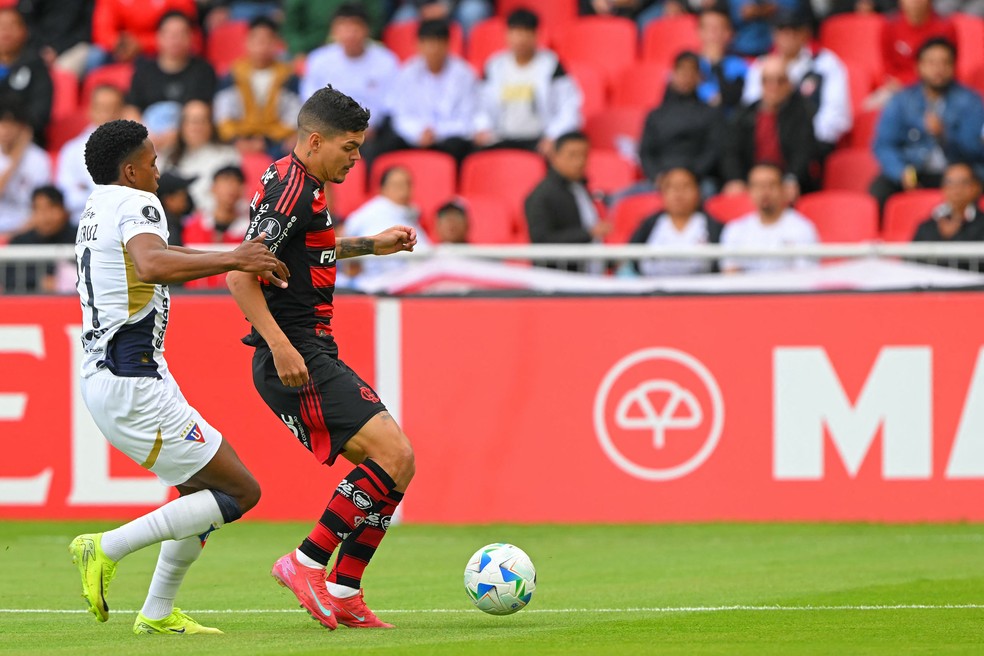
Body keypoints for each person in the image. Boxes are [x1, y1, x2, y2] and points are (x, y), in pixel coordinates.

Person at [69, 118, 287, 635]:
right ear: (130, 170)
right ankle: (105, 547)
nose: (157, 170)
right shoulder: (137, 202)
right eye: (151, 162)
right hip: (133, 382)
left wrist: (234, 255)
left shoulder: (98, 206)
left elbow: (163, 256)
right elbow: (150, 264)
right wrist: (233, 257)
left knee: (202, 495)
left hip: (115, 377)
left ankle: (158, 612)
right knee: (241, 492)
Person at [225, 86, 418, 630]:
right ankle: (305, 562)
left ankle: (344, 588)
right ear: (315, 140)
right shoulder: (290, 186)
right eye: (349, 147)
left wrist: (369, 246)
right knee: (393, 452)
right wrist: (281, 345)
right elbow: (240, 275)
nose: (357, 158)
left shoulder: (299, 182)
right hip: (294, 353)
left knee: (398, 463)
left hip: (309, 349)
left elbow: (307, 247)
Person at [870, 38, 984, 213]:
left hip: (956, 172)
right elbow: (884, 144)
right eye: (931, 63)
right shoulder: (902, 100)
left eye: (944, 63)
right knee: (879, 189)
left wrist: (944, 135)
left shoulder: (971, 102)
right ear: (919, 66)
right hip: (914, 170)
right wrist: (901, 172)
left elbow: (974, 150)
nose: (938, 69)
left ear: (954, 66)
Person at [741, 9, 852, 157]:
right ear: (774, 34)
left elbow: (836, 115)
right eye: (783, 31)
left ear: (806, 33)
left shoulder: (825, 63)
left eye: (794, 30)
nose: (789, 37)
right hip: (768, 145)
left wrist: (803, 139)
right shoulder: (762, 66)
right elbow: (752, 105)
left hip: (813, 145)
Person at [474, 8, 582, 155]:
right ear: (507, 34)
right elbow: (481, 103)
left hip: (540, 140)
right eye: (516, 32)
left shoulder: (551, 65)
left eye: (526, 32)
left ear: (536, 35)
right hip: (501, 137)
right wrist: (482, 127)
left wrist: (553, 135)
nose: (521, 39)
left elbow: (569, 106)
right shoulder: (494, 65)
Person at [373, 19, 479, 164]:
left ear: (448, 44)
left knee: (460, 147)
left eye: (438, 43)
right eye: (428, 43)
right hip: (416, 136)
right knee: (387, 143)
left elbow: (467, 118)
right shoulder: (407, 73)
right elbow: (401, 115)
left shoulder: (464, 74)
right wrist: (418, 132)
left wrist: (436, 132)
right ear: (418, 45)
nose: (433, 49)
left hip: (448, 138)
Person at [721, 55, 818, 199]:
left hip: (786, 182)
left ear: (789, 85)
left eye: (780, 81)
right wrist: (735, 179)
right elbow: (731, 151)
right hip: (751, 183)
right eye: (767, 81)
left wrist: (791, 178)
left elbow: (802, 153)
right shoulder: (745, 113)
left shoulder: (802, 112)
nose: (774, 87)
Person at [300, 4, 398, 137]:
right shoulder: (318, 60)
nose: (350, 34)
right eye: (344, 27)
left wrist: (368, 126)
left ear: (367, 29)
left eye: (355, 27)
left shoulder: (386, 60)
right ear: (333, 31)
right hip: (329, 130)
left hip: (372, 131)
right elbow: (310, 98)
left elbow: (389, 101)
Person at [215, 16, 302, 159]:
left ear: (276, 44)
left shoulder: (289, 77)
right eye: (257, 40)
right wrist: (237, 140)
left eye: (267, 40)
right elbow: (223, 114)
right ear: (247, 42)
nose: (262, 46)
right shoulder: (232, 75)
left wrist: (267, 142)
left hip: (277, 142)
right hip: (239, 141)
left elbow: (294, 115)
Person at [524, 131, 611, 272]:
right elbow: (542, 241)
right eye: (572, 155)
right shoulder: (541, 196)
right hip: (559, 280)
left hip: (588, 274)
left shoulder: (581, 188)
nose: (580, 161)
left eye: (584, 155)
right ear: (555, 156)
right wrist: (587, 234)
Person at [639, 51, 723, 192]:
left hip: (697, 180)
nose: (686, 77)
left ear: (698, 77)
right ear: (673, 75)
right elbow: (646, 152)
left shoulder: (710, 114)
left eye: (691, 72)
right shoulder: (655, 115)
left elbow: (712, 151)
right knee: (621, 200)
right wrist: (657, 176)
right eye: (682, 70)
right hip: (661, 180)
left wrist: (691, 175)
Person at [720, 162, 819, 273]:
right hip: (747, 290)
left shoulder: (802, 228)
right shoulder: (735, 229)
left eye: (771, 185)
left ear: (783, 189)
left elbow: (805, 276)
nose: (765, 192)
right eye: (758, 186)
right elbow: (730, 275)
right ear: (749, 191)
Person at [629, 167, 724, 276]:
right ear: (662, 193)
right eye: (672, 187)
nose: (678, 194)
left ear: (698, 192)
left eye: (686, 186)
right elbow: (632, 258)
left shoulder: (713, 227)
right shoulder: (649, 225)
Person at [341, 165, 430, 279]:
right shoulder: (369, 212)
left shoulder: (411, 214)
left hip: (412, 277)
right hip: (376, 279)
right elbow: (347, 233)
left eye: (407, 184)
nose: (403, 190)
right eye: (397, 185)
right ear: (383, 189)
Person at [56, 85, 126, 222]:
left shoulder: (136, 148)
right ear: (90, 110)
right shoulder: (71, 150)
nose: (107, 115)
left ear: (122, 111)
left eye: (113, 109)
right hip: (83, 225)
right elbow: (67, 197)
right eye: (102, 109)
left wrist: (88, 190)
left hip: (124, 224)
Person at [124, 11, 217, 115]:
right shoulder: (143, 72)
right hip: (148, 130)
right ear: (159, 37)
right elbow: (131, 109)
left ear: (191, 37)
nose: (175, 40)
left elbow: (205, 111)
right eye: (170, 34)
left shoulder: (204, 71)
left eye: (181, 34)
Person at [161, 100, 241, 214]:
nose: (197, 127)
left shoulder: (227, 155)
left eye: (202, 121)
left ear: (211, 125)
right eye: (192, 121)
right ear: (182, 126)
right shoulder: (169, 158)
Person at [3, 186, 77, 293]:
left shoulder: (80, 238)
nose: (45, 216)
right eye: (39, 209)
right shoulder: (19, 242)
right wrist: (39, 281)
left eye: (51, 208)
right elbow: (7, 278)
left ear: (64, 210)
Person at [912, 162, 984, 270]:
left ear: (976, 188)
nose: (956, 189)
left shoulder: (981, 224)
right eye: (949, 183)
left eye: (963, 183)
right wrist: (943, 236)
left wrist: (955, 236)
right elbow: (911, 261)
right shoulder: (927, 226)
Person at [0, 8, 53, 145]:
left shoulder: (36, 66)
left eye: (12, 25)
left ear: (24, 31)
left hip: (26, 141)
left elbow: (41, 112)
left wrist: (11, 130)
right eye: (1, 26)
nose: (6, 31)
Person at [0, 101, 51, 238]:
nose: (5, 130)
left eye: (11, 124)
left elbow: (43, 208)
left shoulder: (39, 159)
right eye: (2, 123)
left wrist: (12, 237)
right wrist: (15, 160)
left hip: (26, 233)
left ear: (23, 127)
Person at [91, 0, 197, 64]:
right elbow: (102, 31)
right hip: (121, 49)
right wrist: (119, 43)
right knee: (96, 55)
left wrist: (141, 44)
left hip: (160, 48)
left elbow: (186, 28)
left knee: (180, 42)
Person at [20, 0, 94, 77]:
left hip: (73, 46)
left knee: (62, 72)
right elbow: (27, 23)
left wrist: (57, 48)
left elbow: (86, 30)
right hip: (38, 46)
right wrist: (42, 48)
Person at [696, 7, 749, 115]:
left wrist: (716, 63)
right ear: (699, 32)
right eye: (709, 28)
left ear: (729, 34)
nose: (714, 34)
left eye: (719, 28)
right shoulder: (688, 63)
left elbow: (734, 100)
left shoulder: (739, 66)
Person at [182, 165, 250, 245]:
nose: (232, 187)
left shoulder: (248, 231)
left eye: (237, 182)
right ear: (213, 188)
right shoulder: (195, 226)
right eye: (226, 181)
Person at [156, 170, 196, 247]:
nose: (186, 197)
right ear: (169, 200)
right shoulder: (169, 229)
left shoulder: (169, 223)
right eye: (182, 193)